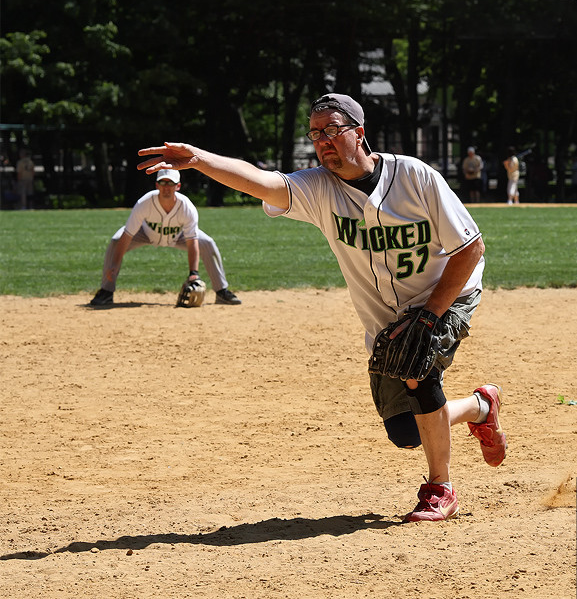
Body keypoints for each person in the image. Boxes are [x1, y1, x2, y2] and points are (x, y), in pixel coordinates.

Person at [137, 94, 506, 523]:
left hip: (447, 294)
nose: (323, 141)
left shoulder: (414, 176)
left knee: (417, 367)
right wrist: (198, 159)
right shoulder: (319, 188)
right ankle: (481, 407)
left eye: (332, 130)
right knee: (406, 431)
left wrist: (428, 315)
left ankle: (439, 488)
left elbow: (470, 247)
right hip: (388, 316)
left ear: (359, 133)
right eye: (315, 134)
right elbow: (259, 181)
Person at [89, 168, 241, 307]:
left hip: (178, 235)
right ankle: (106, 291)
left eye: (171, 183)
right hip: (145, 233)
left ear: (178, 186)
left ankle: (221, 291)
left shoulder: (187, 207)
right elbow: (127, 235)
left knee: (207, 243)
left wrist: (193, 273)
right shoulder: (144, 203)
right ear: (157, 185)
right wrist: (114, 266)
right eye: (163, 182)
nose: (166, 187)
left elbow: (192, 241)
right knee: (117, 240)